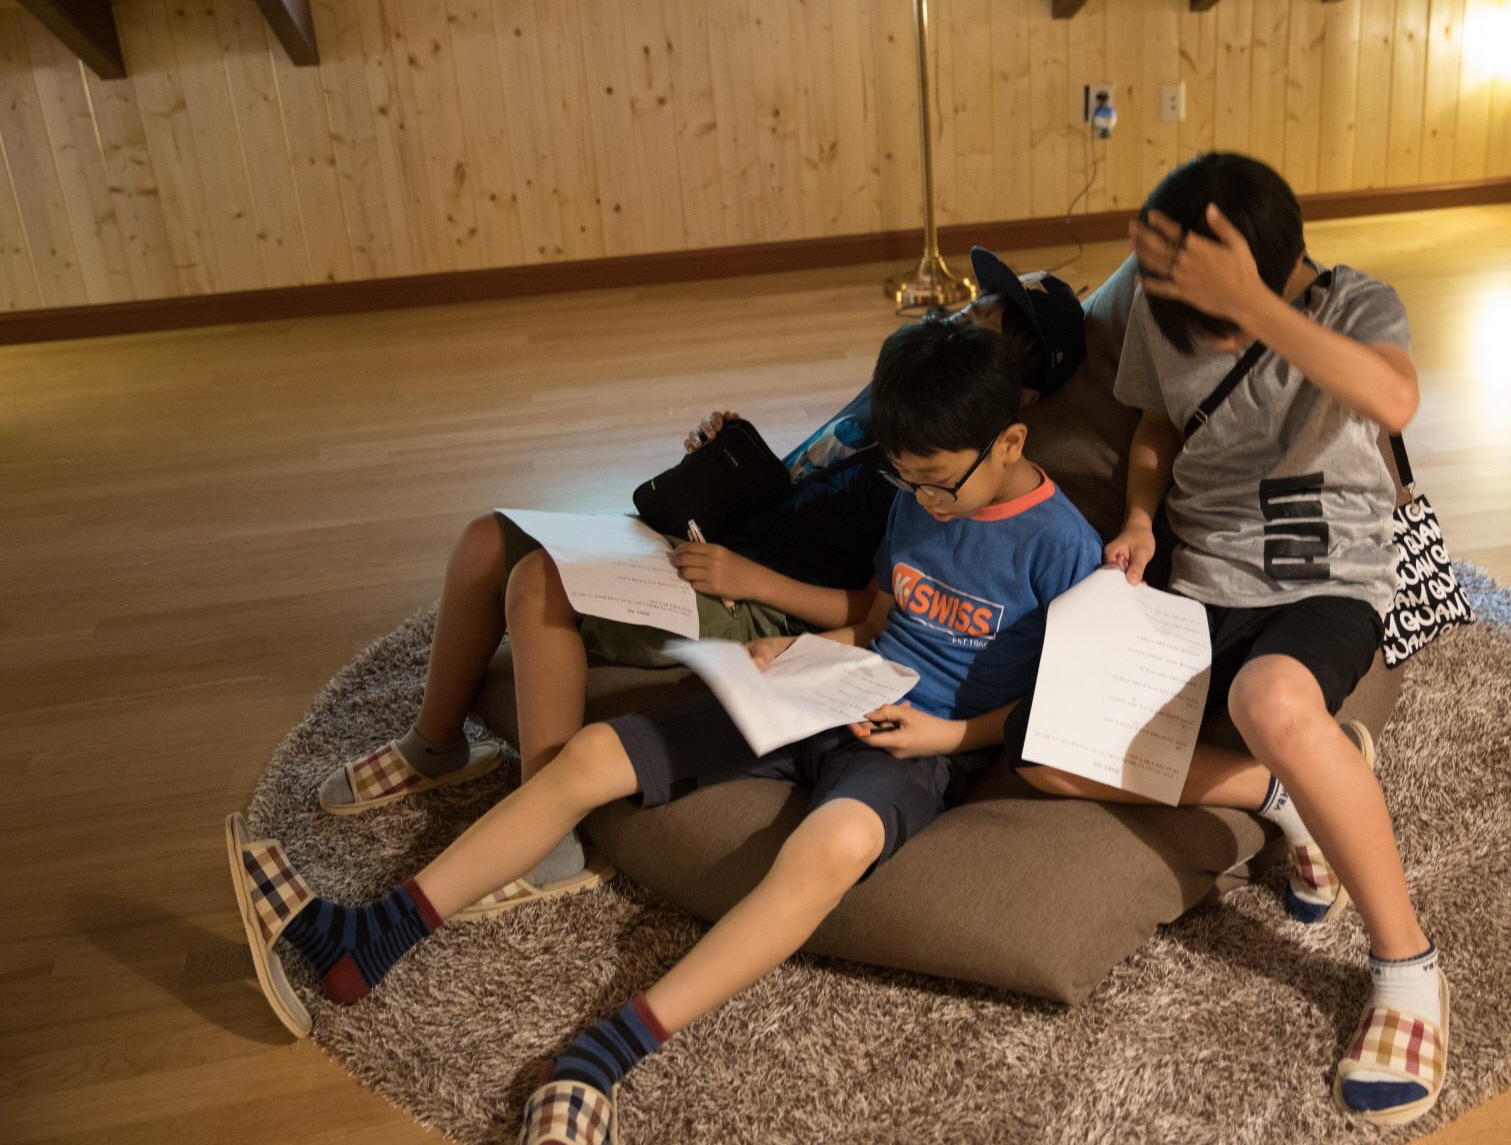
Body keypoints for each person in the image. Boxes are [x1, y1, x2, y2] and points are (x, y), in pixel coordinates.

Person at [230, 312, 1103, 1144]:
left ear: (1010, 442)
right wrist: (800, 650)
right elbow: (879, 619)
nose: (924, 500)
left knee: (831, 850)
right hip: (833, 685)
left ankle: (597, 1063)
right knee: (588, 757)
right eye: (909, 481)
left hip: (924, 738)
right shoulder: (916, 499)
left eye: (938, 481)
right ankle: (372, 934)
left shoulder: (1063, 545)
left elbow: (1056, 705)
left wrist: (945, 740)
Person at [312, 247, 1086, 910]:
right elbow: (809, 484)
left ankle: (548, 837)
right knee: (486, 542)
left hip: (754, 589)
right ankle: (433, 746)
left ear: (1011, 406)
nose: (964, 317)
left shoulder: (945, 487)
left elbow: (885, 610)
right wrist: (736, 466)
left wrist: (755, 581)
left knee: (537, 582)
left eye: (988, 324)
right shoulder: (903, 398)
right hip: (720, 538)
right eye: (976, 306)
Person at [1005, 152, 1446, 1127]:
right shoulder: (1162, 304)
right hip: (1204, 583)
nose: (1205, 332)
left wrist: (1253, 305)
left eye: (1222, 312)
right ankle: (1288, 791)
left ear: (1279, 269)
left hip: (1325, 579)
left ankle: (1408, 967)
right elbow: (1157, 425)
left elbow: (1394, 401)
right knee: (1041, 742)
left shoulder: (1356, 304)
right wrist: (1139, 519)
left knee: (1268, 699)